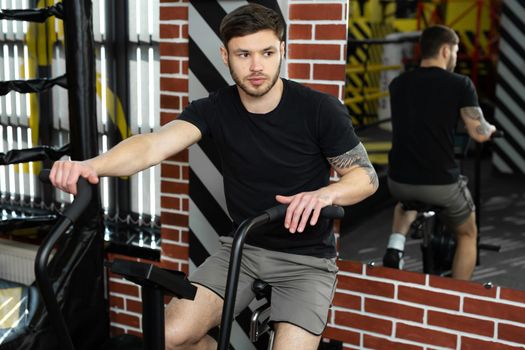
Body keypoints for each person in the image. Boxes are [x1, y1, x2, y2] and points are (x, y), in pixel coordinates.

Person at [49, 4, 377, 349]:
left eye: (267, 52)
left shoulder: (319, 110)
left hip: (306, 260)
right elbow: (151, 146)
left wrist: (325, 194)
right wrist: (90, 166)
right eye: (243, 54)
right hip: (242, 248)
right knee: (168, 338)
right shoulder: (213, 109)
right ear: (225, 55)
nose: (256, 66)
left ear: (282, 49)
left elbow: (365, 177)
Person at [382, 25, 497, 280]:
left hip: (398, 181)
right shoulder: (460, 83)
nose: (455, 56)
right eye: (455, 50)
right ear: (446, 50)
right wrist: (489, 129)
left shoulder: (399, 83)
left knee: (406, 203)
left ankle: (395, 246)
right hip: (440, 183)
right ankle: (456, 299)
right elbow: (478, 132)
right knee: (468, 234)